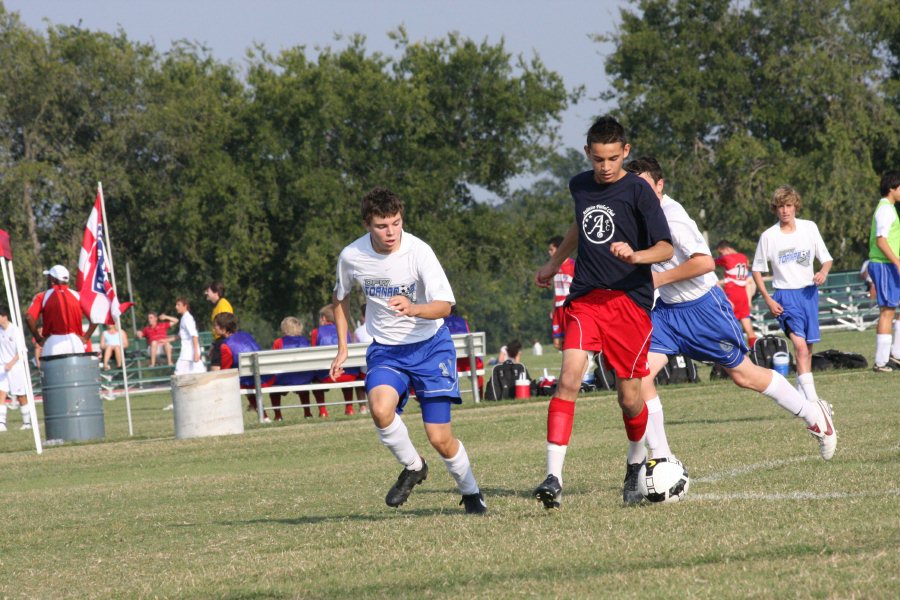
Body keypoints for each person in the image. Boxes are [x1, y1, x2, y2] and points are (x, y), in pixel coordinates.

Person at [623, 157, 836, 470]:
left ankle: (814, 415)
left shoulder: (672, 215)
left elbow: (705, 263)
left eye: (644, 186)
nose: (637, 193)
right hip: (666, 312)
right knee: (640, 377)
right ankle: (662, 458)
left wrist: (655, 280)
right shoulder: (636, 216)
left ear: (659, 185)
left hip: (703, 308)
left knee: (743, 375)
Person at [532, 116, 674, 509]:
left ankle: (634, 463)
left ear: (625, 152)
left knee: (630, 399)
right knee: (568, 380)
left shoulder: (639, 192)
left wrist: (636, 255)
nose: (605, 166)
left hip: (629, 303)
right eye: (598, 159)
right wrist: (555, 261)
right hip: (586, 299)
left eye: (612, 158)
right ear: (588, 154)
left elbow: (666, 248)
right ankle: (553, 477)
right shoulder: (579, 185)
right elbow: (579, 226)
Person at [329, 186, 486, 515]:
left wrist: (414, 308)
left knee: (440, 437)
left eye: (396, 223)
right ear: (367, 225)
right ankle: (414, 467)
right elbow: (340, 298)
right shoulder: (352, 256)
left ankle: (471, 492)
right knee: (380, 409)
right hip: (387, 351)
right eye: (382, 225)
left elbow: (445, 306)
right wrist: (343, 347)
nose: (391, 232)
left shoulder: (419, 252)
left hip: (431, 348)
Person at [751, 185, 833, 402]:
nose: (785, 211)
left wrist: (823, 272)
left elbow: (826, 258)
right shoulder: (769, 236)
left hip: (808, 294)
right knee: (799, 347)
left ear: (795, 206)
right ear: (775, 209)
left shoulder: (809, 228)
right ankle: (814, 402)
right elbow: (757, 270)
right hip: (785, 296)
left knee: (807, 348)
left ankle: (799, 397)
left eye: (788, 205)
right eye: (780, 207)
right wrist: (768, 299)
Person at [866, 171, 900, 371]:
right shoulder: (885, 210)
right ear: (892, 188)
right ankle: (880, 362)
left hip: (890, 264)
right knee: (887, 311)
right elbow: (881, 240)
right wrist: (897, 262)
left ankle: (896, 354)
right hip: (884, 264)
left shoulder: (890, 209)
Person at [25, 265, 97, 358]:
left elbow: (28, 317)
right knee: (77, 372)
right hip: (75, 341)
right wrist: (86, 337)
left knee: (53, 372)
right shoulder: (78, 295)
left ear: (53, 279)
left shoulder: (42, 296)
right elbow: (96, 315)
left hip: (52, 342)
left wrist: (38, 339)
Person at [209, 312, 271, 420]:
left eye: (216, 325)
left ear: (224, 328)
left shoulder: (225, 345)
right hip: (264, 376)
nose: (214, 328)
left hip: (248, 381)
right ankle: (265, 417)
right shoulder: (247, 335)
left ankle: (223, 418)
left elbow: (225, 371)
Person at [311, 304, 365, 416]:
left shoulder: (316, 332)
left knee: (314, 377)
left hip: (326, 376)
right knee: (346, 371)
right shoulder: (345, 331)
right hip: (348, 375)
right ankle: (349, 408)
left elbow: (313, 354)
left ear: (324, 318)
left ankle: (323, 412)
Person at [269, 317, 316, 420]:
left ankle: (278, 415)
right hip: (303, 377)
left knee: (273, 387)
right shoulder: (305, 341)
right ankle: (307, 413)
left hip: (283, 377)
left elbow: (274, 361)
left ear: (284, 329)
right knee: (302, 383)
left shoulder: (278, 342)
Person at [715, 240, 757, 348]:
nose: (720, 255)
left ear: (726, 249)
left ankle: (736, 355)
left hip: (731, 295)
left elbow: (710, 263)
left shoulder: (726, 258)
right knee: (749, 329)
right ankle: (756, 354)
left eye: (720, 253)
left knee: (727, 327)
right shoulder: (744, 257)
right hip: (743, 294)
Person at [0, 305, 32, 432]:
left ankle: (27, 422)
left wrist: (11, 363)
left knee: (21, 396)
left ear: (4, 317)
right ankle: (1, 423)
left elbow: (22, 351)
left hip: (16, 367)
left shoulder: (15, 330)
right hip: (2, 368)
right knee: (1, 393)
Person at [443, 305, 484, 397]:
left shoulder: (439, 323)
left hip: (450, 364)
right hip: (468, 363)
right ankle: (480, 397)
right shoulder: (462, 321)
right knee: (478, 370)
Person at [547, 235, 576, 350]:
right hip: (558, 308)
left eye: (551, 250)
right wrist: (553, 308)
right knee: (557, 344)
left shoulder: (573, 265)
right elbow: (556, 289)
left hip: (569, 307)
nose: (549, 253)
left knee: (571, 340)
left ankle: (582, 363)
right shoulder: (554, 267)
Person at [173, 298, 206, 376]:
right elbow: (179, 336)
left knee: (176, 377)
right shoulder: (184, 318)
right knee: (201, 377)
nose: (176, 307)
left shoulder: (187, 318)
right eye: (176, 305)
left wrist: (196, 353)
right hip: (189, 354)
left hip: (187, 355)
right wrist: (165, 340)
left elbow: (194, 335)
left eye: (178, 305)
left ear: (185, 306)